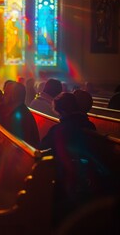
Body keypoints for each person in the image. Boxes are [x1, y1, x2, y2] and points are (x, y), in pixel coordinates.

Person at [38, 92, 106, 225]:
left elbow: (42, 150)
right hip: (88, 179)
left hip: (65, 180)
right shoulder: (90, 126)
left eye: (58, 113)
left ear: (62, 111)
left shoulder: (60, 129)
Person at [0, 81, 40, 148]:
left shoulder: (20, 117)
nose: (3, 96)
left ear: (14, 97)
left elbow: (15, 147)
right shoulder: (20, 112)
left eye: (6, 93)